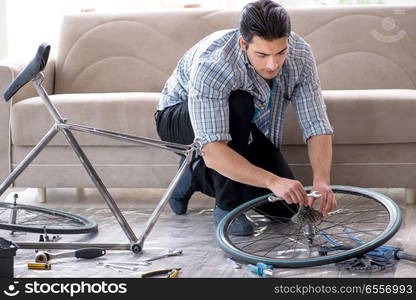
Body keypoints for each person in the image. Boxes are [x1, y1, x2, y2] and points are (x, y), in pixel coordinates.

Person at [155, 0, 336, 236]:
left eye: (280, 52)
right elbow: (213, 148)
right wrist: (272, 181)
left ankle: (194, 175)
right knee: (239, 102)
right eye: (262, 54)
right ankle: (227, 206)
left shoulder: (301, 55)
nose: (273, 65)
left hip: (243, 129)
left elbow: (316, 124)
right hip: (177, 118)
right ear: (244, 44)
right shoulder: (214, 62)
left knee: (287, 208)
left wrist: (322, 180)